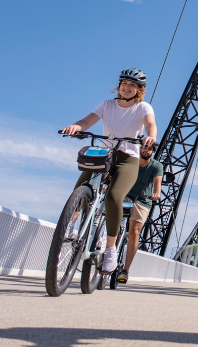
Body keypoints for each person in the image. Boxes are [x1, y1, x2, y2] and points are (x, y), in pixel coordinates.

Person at [61, 68, 157, 274]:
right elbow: (87, 121)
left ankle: (111, 249)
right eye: (125, 83)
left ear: (140, 90)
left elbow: (151, 124)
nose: (127, 87)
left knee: (114, 196)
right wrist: (76, 127)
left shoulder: (143, 107)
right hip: (104, 153)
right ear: (119, 85)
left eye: (133, 85)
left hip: (127, 158)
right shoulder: (107, 105)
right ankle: (70, 224)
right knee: (82, 184)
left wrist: (150, 136)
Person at [115, 142, 163, 284]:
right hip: (125, 195)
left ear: (152, 152)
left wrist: (156, 193)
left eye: (149, 149)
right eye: (143, 147)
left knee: (134, 232)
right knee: (108, 220)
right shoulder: (132, 161)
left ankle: (125, 270)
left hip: (143, 200)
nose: (145, 150)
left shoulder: (156, 166)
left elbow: (157, 182)